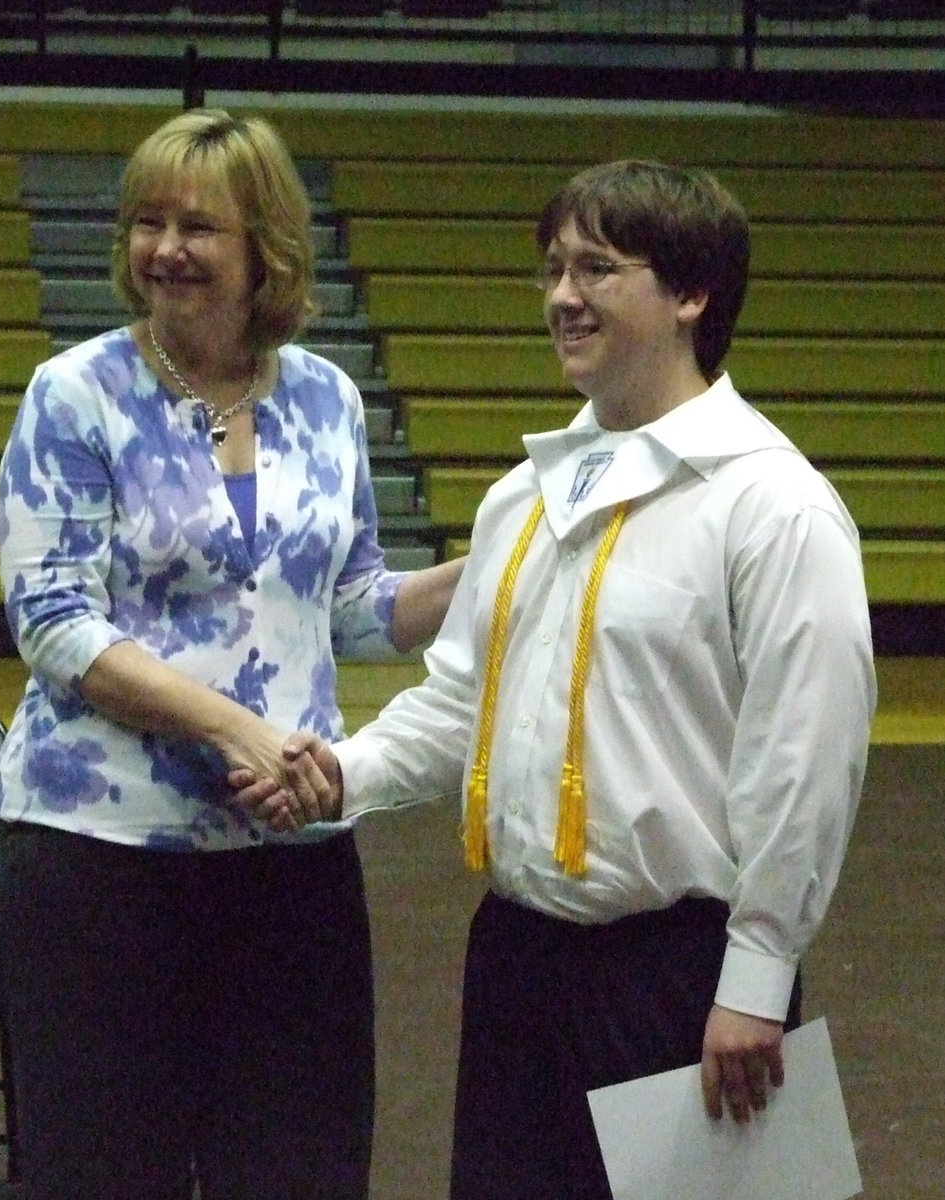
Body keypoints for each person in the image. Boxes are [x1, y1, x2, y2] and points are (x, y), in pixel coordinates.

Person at [233, 159, 877, 1200]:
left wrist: (755, 978)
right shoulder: (522, 498)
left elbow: (801, 763)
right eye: (551, 270)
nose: (560, 297)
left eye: (595, 269)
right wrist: (338, 774)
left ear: (690, 294)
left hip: (681, 975)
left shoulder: (772, 506)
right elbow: (456, 705)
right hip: (517, 959)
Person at [0, 107, 461, 1200]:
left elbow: (346, 605)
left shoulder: (325, 401)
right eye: (146, 223)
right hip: (100, 864)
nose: (164, 249)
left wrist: (494, 566)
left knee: (297, 1172)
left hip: (289, 865)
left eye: (196, 226)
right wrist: (240, 729)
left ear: (267, 251)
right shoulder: (76, 396)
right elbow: (57, 625)